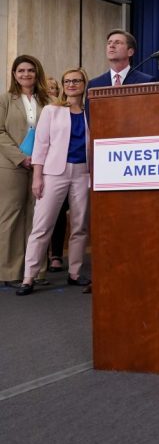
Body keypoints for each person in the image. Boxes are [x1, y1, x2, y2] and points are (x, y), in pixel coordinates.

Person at [17, 68, 92, 295]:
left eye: (76, 81)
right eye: (67, 81)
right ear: (63, 85)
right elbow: (40, 146)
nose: (71, 84)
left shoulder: (92, 111)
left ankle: (75, 273)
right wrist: (37, 177)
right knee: (41, 226)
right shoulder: (52, 110)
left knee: (79, 226)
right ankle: (29, 277)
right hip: (53, 173)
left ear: (84, 84)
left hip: (83, 173)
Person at [1, 55, 51, 287]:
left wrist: (39, 159)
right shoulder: (5, 100)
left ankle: (35, 271)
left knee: (37, 217)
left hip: (42, 165)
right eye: (21, 71)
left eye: (30, 70)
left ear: (37, 73)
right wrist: (21, 158)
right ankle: (10, 272)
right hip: (11, 165)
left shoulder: (48, 100)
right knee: (10, 218)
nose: (26, 75)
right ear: (14, 74)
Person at [45, 76, 70, 273]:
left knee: (59, 211)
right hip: (32, 164)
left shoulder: (64, 110)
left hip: (61, 168)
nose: (51, 91)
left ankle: (56, 255)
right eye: (48, 88)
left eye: (54, 88)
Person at [87, 30, 155, 89]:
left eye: (117, 43)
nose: (111, 46)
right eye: (109, 43)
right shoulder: (94, 85)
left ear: (130, 52)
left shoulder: (146, 82)